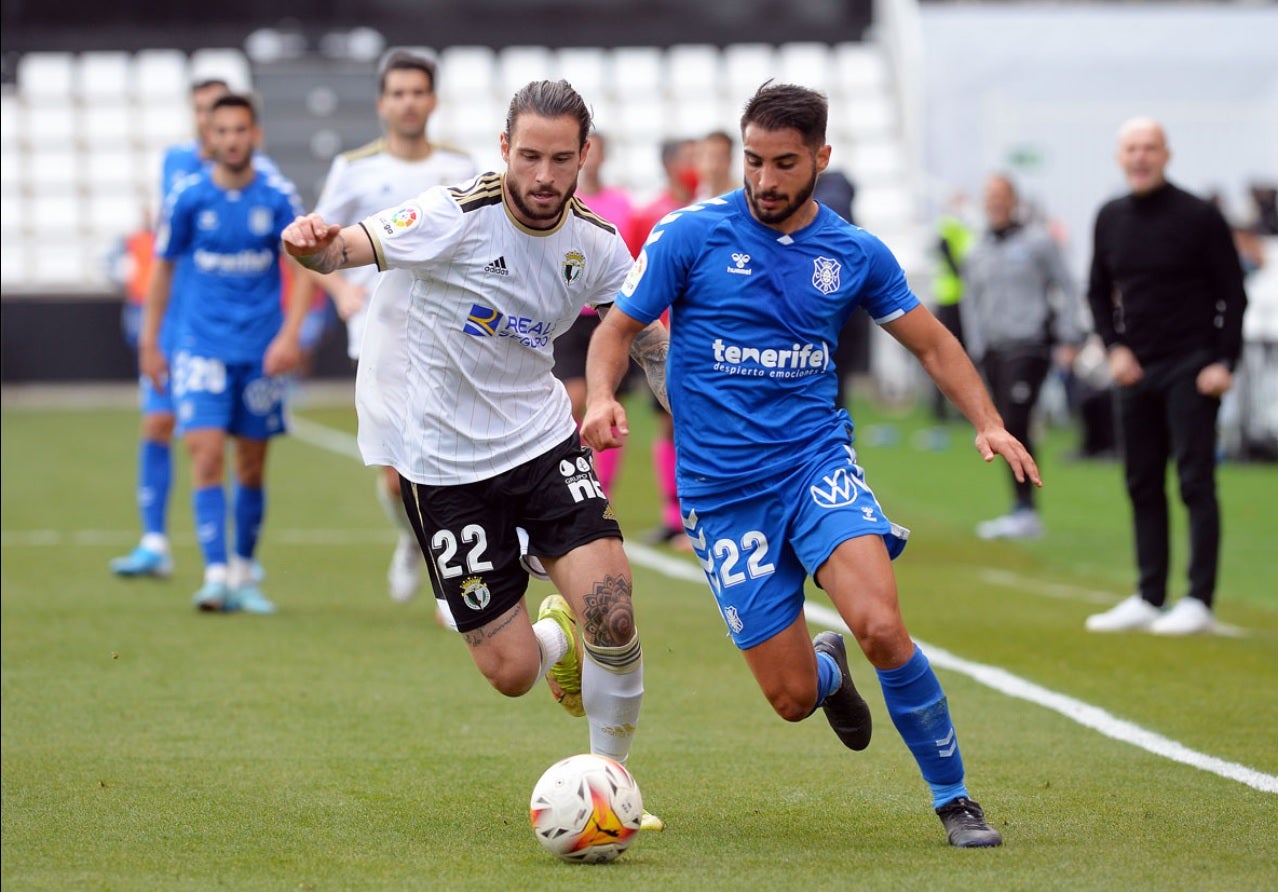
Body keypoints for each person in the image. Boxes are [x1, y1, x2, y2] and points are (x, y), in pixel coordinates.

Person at [583, 81, 1034, 848]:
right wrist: (599, 396)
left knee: (883, 626)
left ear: (822, 157)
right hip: (722, 496)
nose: (764, 179)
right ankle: (827, 672)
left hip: (814, 466)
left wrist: (989, 422)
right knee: (791, 699)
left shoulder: (853, 252)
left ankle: (955, 800)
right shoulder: (688, 235)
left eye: (784, 163)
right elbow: (616, 329)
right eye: (753, 161)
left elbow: (932, 343)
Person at [280, 80, 670, 830]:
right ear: (504, 150)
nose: (545, 176)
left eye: (562, 159)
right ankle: (551, 633)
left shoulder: (593, 242)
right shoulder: (452, 214)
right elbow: (346, 249)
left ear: (584, 155)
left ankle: (615, 785)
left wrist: (671, 396)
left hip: (542, 442)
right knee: (513, 672)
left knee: (614, 615)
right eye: (529, 156)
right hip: (443, 467)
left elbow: (644, 327)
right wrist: (314, 247)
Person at [288, 49, 476, 611]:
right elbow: (312, 244)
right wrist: (340, 289)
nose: (409, 102)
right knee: (397, 477)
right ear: (382, 103)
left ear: (433, 100)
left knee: (447, 460)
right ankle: (409, 538)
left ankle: (452, 580)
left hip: (448, 335)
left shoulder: (462, 166)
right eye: (398, 93)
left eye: (418, 91)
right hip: (379, 337)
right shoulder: (356, 168)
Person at [140, 93, 309, 614]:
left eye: (241, 130)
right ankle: (214, 575)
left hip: (259, 352)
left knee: (252, 467)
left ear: (254, 135)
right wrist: (151, 343)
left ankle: (241, 571)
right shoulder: (188, 198)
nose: (232, 140)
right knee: (207, 454)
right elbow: (163, 269)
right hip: (199, 347)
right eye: (223, 131)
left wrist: (290, 335)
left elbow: (305, 265)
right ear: (208, 138)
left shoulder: (278, 196)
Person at [1083, 118, 1248, 636]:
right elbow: (1096, 292)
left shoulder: (1200, 216)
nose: (1140, 156)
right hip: (1135, 368)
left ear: (1166, 154)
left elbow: (1233, 294)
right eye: (1131, 148)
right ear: (1119, 157)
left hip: (1192, 366)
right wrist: (1114, 349)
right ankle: (1149, 596)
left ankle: (1199, 600)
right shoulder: (1109, 217)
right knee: (1141, 481)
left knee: (1196, 480)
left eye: (1150, 147)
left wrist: (1224, 362)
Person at [110, 77, 231, 579]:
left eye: (216, 109)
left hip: (216, 324)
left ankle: (233, 563)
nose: (208, 119)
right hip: (175, 320)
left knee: (220, 445)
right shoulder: (180, 163)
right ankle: (154, 541)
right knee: (157, 423)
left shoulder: (250, 175)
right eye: (202, 110)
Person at [962, 173, 1084, 540]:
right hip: (993, 350)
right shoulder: (976, 249)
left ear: (1014, 200)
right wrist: (973, 349)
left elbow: (1067, 285)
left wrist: (1068, 334)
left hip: (1028, 345)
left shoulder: (1038, 242)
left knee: (1014, 422)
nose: (996, 203)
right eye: (990, 196)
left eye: (1002, 196)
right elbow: (971, 303)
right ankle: (1020, 507)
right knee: (1001, 427)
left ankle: (1026, 510)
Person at [551, 130, 639, 497]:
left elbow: (630, 257)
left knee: (604, 401)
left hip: (610, 316)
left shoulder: (622, 204)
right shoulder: (561, 202)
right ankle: (569, 476)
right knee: (572, 399)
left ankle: (604, 488)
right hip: (572, 315)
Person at [631, 138, 699, 550]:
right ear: (670, 164)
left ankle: (699, 514)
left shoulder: (714, 207)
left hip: (706, 337)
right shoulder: (650, 214)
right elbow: (637, 274)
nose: (694, 165)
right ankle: (675, 516)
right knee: (668, 421)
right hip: (666, 339)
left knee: (699, 421)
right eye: (688, 157)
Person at [931, 192, 976, 421]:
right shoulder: (949, 225)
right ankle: (940, 408)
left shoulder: (964, 227)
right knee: (947, 353)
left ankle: (958, 408)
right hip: (951, 297)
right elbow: (944, 249)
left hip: (962, 297)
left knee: (960, 355)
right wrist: (961, 273)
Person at [695, 129, 736, 200]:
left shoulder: (741, 199)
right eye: (710, 158)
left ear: (730, 160)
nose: (714, 166)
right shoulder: (696, 197)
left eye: (720, 158)